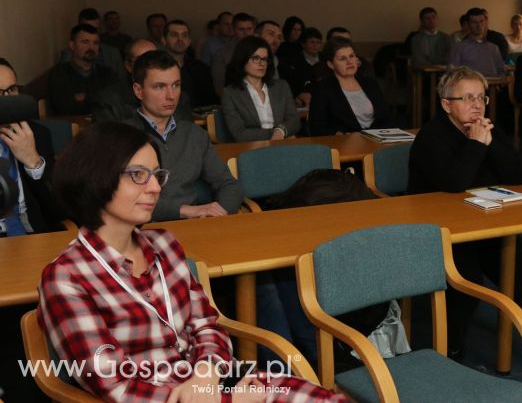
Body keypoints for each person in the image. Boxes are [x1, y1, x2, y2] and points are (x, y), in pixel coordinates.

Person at [38, 121, 344, 402]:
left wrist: (206, 373)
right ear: (96, 178)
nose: (156, 188)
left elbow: (206, 325)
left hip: (214, 383)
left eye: (157, 175)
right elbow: (116, 386)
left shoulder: (164, 244)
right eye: (138, 175)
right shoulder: (66, 277)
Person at [408, 66, 522, 397]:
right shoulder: (431, 137)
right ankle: (449, 356)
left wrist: (489, 143)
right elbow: (453, 184)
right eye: (466, 98)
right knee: (467, 280)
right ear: (445, 104)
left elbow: (519, 174)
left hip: (486, 224)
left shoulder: (487, 130)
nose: (477, 105)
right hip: (439, 233)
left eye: (481, 97)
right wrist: (477, 145)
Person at [124, 50, 242, 220]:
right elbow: (115, 198)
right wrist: (185, 210)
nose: (171, 96)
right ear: (138, 91)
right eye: (159, 87)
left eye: (176, 85)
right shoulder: (120, 137)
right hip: (139, 229)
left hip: (194, 226)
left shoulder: (194, 134)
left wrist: (219, 214)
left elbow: (228, 184)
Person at [0, 58, 62, 235]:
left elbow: (59, 207)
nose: (6, 100)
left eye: (11, 90)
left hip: (31, 231)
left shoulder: (36, 133)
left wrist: (33, 162)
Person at [221, 36, 301, 142]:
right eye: (255, 58)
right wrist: (278, 133)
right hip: (251, 148)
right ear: (242, 59)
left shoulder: (281, 86)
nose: (261, 63)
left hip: (282, 145)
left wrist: (281, 131)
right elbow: (239, 133)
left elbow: (294, 121)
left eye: (265, 59)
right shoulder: (230, 93)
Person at [93, 39, 193, 123]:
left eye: (155, 59)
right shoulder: (108, 100)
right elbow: (110, 142)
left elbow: (188, 137)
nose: (150, 66)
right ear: (128, 66)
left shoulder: (180, 98)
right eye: (141, 60)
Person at [308, 38, 393, 135]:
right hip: (344, 144)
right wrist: (339, 134)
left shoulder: (370, 83)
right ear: (331, 64)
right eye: (343, 59)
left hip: (377, 139)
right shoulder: (323, 89)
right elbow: (316, 127)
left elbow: (386, 117)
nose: (349, 62)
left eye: (352, 56)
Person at [48, 24, 119, 115]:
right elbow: (67, 109)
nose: (91, 47)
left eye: (95, 43)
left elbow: (116, 104)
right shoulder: (59, 73)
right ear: (72, 45)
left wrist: (86, 98)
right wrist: (99, 98)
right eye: (85, 42)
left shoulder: (108, 73)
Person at [163, 19, 219, 107]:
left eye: (184, 35)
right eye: (174, 35)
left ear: (189, 41)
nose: (180, 39)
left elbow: (211, 101)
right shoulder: (155, 68)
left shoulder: (201, 68)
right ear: (164, 40)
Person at [448, 8, 506, 78]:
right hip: (468, 86)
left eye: (481, 21)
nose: (479, 25)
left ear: (485, 22)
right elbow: (452, 73)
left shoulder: (494, 48)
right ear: (468, 24)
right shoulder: (459, 48)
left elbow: (502, 72)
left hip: (491, 86)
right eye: (474, 22)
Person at [211, 12, 257, 95]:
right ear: (233, 30)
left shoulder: (261, 50)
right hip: (234, 98)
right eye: (241, 29)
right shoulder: (222, 54)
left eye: (249, 29)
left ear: (254, 29)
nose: (246, 33)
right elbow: (219, 86)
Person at [279, 26, 323, 107]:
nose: (315, 45)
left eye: (318, 42)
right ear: (303, 43)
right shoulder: (292, 61)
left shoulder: (325, 59)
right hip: (300, 101)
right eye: (312, 42)